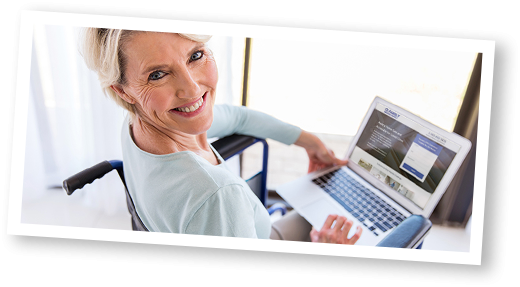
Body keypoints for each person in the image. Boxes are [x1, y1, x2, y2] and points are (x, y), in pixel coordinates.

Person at [82, 29, 362, 244]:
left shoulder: (140, 122)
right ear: (123, 90)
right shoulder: (217, 196)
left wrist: (310, 144)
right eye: (157, 74)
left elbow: (239, 118)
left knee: (337, 206)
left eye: (195, 55)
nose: (191, 90)